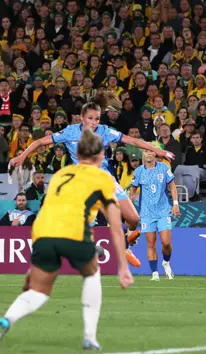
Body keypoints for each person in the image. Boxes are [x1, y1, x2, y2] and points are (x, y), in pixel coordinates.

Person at [0, 128, 133, 351]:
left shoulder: (61, 176)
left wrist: (32, 267)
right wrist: (123, 266)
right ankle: (90, 337)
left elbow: (49, 210)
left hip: (42, 233)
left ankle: (5, 321)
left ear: (77, 155)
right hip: (74, 232)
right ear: (101, 156)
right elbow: (116, 226)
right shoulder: (103, 178)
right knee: (92, 274)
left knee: (38, 291)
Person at [11, 93, 174, 267]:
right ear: (81, 118)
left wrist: (160, 152)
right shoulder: (69, 132)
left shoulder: (104, 131)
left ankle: (127, 239)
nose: (94, 122)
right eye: (90, 118)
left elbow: (133, 140)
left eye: (97, 119)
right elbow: (39, 142)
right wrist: (23, 156)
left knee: (134, 219)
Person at [129, 143, 180, 281]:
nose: (149, 154)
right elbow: (133, 190)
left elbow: (172, 186)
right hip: (146, 213)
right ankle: (155, 274)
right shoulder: (139, 171)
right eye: (146, 151)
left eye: (151, 151)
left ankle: (166, 262)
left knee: (166, 243)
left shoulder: (163, 168)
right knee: (151, 244)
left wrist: (175, 204)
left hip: (163, 211)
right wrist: (130, 206)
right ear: (143, 155)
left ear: (155, 153)